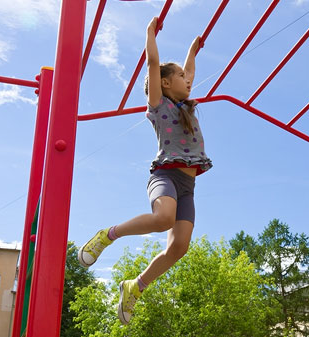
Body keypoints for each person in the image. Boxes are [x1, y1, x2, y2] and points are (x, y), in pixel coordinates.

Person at [78, 16, 212, 325]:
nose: (187, 80)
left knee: (179, 247)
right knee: (163, 218)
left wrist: (193, 49)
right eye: (179, 76)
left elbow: (190, 71)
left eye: (186, 76)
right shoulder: (159, 105)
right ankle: (107, 235)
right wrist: (150, 33)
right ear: (165, 83)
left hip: (189, 186)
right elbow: (153, 64)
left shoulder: (186, 105)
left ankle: (135, 286)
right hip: (165, 175)